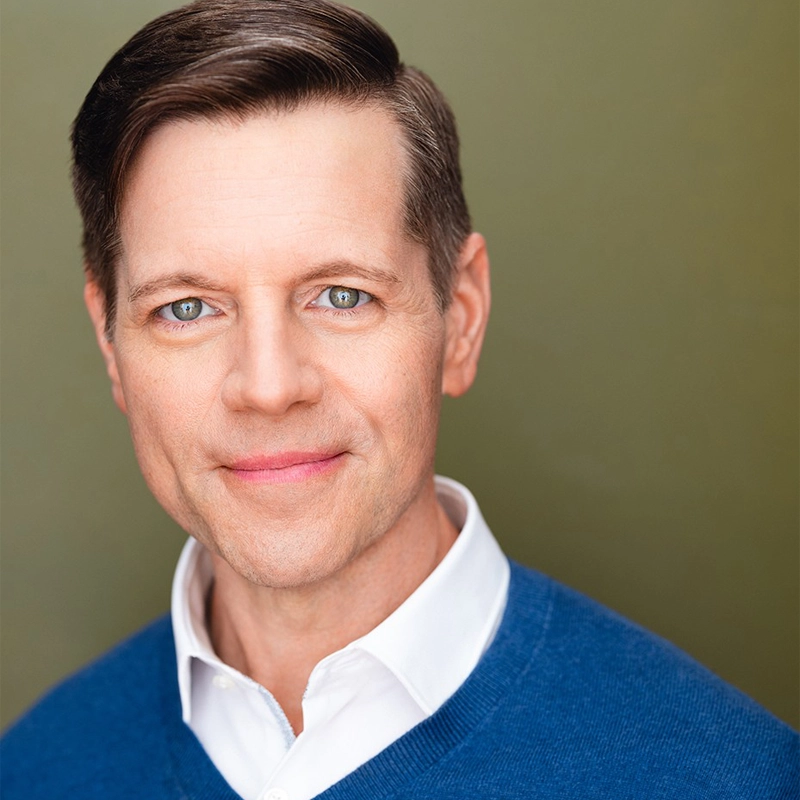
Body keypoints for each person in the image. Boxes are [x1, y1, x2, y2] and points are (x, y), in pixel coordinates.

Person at [1, 0, 797, 797]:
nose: (270, 388)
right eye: (186, 308)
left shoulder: (731, 777)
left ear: (461, 318)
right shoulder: (35, 769)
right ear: (111, 345)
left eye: (342, 296)